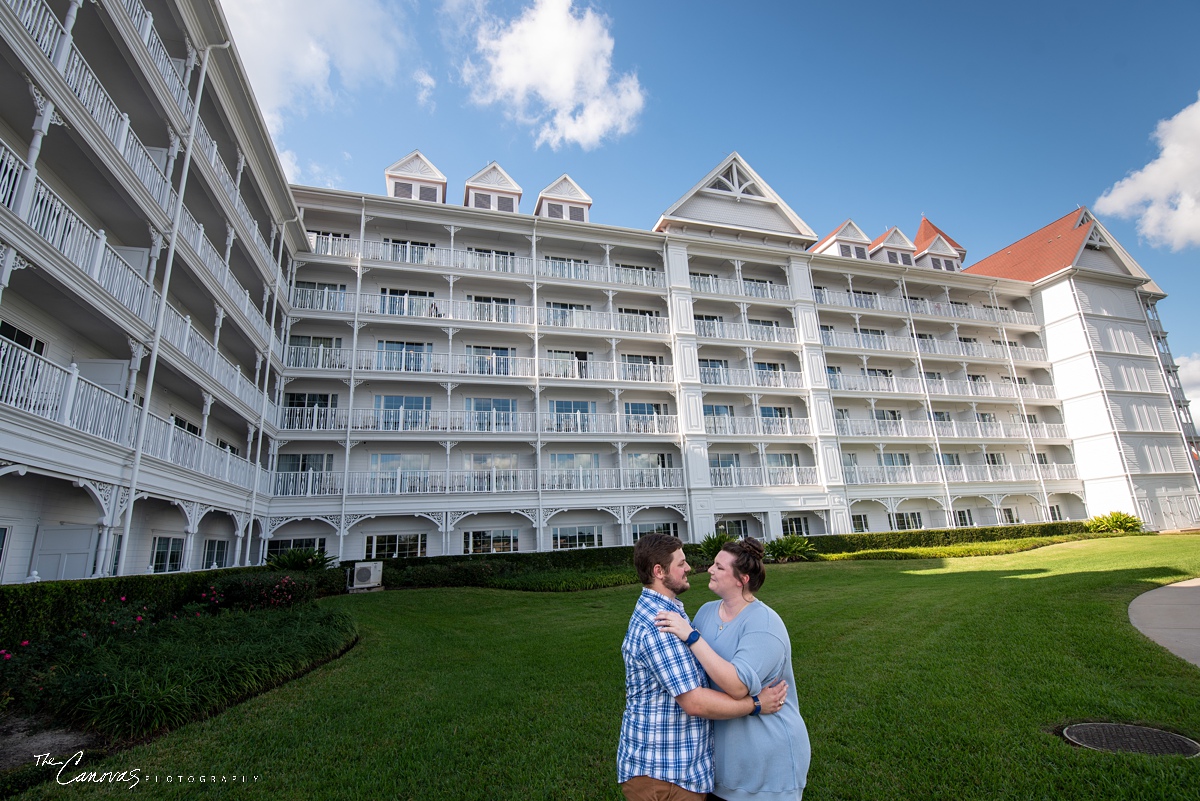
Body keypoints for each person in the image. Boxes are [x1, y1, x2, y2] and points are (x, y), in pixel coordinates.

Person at [618, 533, 788, 801]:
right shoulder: (660, 625)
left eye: (718, 566)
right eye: (681, 563)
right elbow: (694, 702)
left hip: (678, 772)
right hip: (664, 774)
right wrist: (756, 704)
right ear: (659, 571)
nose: (690, 568)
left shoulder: (674, 614)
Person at [656, 537, 811, 801]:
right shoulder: (706, 612)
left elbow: (738, 686)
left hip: (765, 769)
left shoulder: (764, 624)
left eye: (719, 567)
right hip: (721, 768)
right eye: (713, 564)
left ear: (742, 580)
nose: (710, 570)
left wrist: (692, 636)